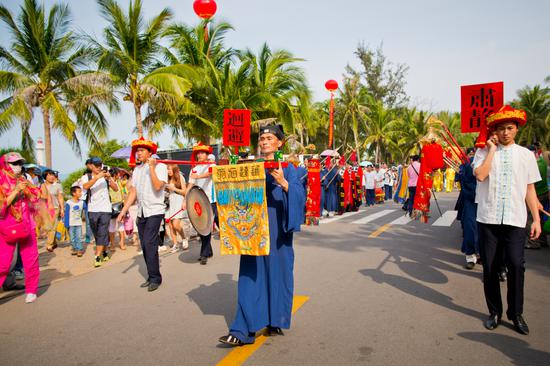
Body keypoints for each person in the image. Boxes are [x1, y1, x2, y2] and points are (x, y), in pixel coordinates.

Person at [219, 124, 306, 346]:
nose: (264, 142)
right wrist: (232, 168)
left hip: (278, 229)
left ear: (279, 143)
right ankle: (241, 330)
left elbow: (299, 195)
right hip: (253, 228)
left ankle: (275, 318)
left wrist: (284, 183)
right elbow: (233, 191)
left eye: (269, 138)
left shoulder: (289, 168)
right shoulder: (251, 166)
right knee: (250, 274)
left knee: (278, 274)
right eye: (261, 139)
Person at [473, 105, 541, 335]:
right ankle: (494, 312)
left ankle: (516, 313)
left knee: (515, 265)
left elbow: (530, 189)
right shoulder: (482, 152)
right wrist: (491, 150)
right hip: (488, 218)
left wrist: (536, 220)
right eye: (500, 128)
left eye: (510, 128)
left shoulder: (526, 155)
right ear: (494, 131)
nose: (505, 133)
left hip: (515, 218)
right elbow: (481, 175)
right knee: (490, 268)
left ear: (516, 129)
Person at [118, 137, 167, 292]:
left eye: (141, 151)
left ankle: (155, 278)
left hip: (155, 210)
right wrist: (124, 210)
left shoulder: (161, 167)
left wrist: (152, 168)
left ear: (150, 152)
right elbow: (133, 192)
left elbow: (159, 186)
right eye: (137, 151)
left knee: (148, 243)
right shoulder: (137, 170)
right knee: (145, 246)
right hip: (142, 212)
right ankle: (151, 275)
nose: (138, 154)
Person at [0, 152, 42, 303]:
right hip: (7, 225)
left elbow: (36, 197)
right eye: (15, 163)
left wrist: (27, 191)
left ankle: (31, 290)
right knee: (3, 263)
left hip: (27, 223)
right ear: (6, 164)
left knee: (31, 259)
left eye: (20, 163)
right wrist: (16, 190)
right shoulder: (1, 179)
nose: (18, 166)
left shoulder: (23, 179)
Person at [81, 157, 118, 268]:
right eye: (96, 165)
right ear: (91, 166)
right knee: (97, 233)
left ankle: (97, 256)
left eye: (100, 165)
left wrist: (109, 178)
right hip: (92, 209)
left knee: (102, 231)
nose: (98, 167)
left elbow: (116, 188)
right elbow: (85, 186)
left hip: (105, 209)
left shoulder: (106, 177)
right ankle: (104, 251)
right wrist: (97, 177)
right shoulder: (86, 177)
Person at [187, 143, 218, 265]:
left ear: (207, 154)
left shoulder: (212, 165)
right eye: (198, 153)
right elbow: (190, 184)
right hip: (198, 201)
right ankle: (208, 251)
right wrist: (185, 199)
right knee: (201, 226)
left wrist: (198, 176)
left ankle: (204, 254)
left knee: (207, 225)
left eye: (202, 153)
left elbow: (211, 174)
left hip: (210, 200)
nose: (200, 155)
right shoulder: (193, 168)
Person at [456, 148, 478, 269]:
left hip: (490, 201)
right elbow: (461, 179)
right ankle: (470, 255)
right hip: (471, 199)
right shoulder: (467, 163)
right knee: (470, 227)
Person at [524, 145, 548, 249]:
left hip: (536, 195)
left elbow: (531, 184)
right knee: (541, 218)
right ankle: (542, 240)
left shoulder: (536, 165)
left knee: (530, 218)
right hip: (544, 192)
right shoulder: (543, 162)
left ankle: (533, 242)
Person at [165, 164, 189, 253]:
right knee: (170, 226)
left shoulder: (180, 177)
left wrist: (174, 188)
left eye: (170, 169)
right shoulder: (166, 178)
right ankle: (175, 244)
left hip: (178, 200)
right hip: (169, 202)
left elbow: (184, 191)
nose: (169, 171)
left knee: (176, 224)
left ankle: (183, 238)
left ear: (174, 170)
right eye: (168, 169)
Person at [41, 169, 64, 252]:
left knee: (52, 226)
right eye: (49, 175)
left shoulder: (58, 185)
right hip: (45, 209)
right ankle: (53, 242)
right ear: (45, 176)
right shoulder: (42, 186)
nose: (51, 177)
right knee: (48, 226)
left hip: (55, 208)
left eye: (52, 175)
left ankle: (49, 244)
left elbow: (60, 197)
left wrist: (62, 209)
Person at [63, 186, 86, 257]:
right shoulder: (69, 202)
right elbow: (66, 213)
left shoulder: (82, 202)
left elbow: (86, 209)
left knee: (79, 237)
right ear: (74, 193)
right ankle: (74, 248)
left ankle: (79, 250)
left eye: (81, 191)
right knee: (72, 238)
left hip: (78, 223)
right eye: (79, 191)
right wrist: (66, 224)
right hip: (70, 224)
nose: (81, 193)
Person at [108, 167, 126, 250]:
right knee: (112, 226)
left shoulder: (119, 182)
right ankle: (112, 244)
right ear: (115, 174)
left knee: (121, 225)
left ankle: (121, 243)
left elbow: (122, 192)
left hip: (120, 205)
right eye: (118, 173)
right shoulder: (108, 181)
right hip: (111, 206)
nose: (119, 175)